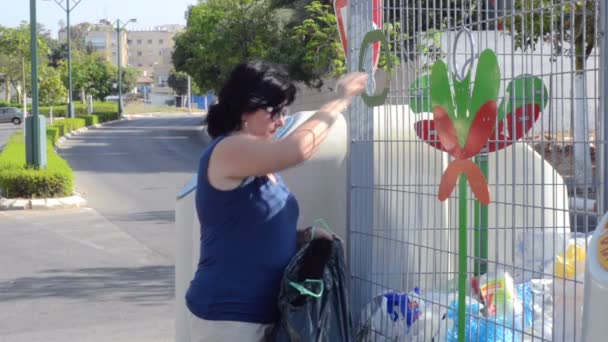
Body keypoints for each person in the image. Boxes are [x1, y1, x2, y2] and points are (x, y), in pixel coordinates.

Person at [186, 60, 368, 342]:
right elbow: (298, 149)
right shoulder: (228, 149)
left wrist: (303, 237)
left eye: (285, 112)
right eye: (275, 112)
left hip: (266, 316)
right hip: (228, 320)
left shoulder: (258, 162)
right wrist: (340, 100)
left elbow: (252, 231)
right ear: (246, 108)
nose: (282, 121)